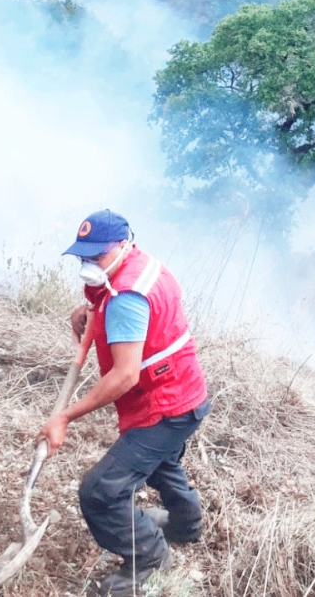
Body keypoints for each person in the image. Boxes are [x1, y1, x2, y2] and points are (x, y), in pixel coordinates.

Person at [38, 209, 209, 597]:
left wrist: (64, 416)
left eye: (96, 256)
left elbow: (124, 375)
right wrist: (89, 310)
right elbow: (118, 302)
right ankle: (186, 526)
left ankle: (150, 560)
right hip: (185, 392)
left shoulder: (127, 297)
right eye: (83, 256)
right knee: (160, 462)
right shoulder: (136, 267)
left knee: (100, 491)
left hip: (165, 405)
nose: (88, 265)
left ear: (123, 245)